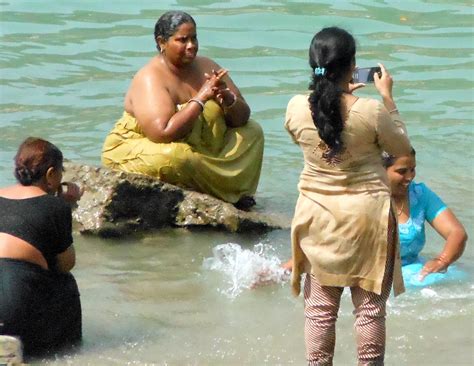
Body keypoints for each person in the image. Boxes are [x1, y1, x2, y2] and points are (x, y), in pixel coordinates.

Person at [284, 27, 412, 365]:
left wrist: (336, 99)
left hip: (316, 216)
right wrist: (387, 98)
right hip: (367, 220)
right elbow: (403, 152)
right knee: (369, 311)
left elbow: (309, 134)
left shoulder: (296, 107)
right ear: (352, 65)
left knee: (320, 311)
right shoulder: (370, 111)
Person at [101, 10, 264, 208]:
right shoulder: (150, 77)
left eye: (194, 38)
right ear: (162, 42)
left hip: (201, 149)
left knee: (252, 133)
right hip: (146, 146)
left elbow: (242, 118)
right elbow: (162, 133)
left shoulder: (206, 65)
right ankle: (216, 188)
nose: (191, 46)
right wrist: (201, 97)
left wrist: (228, 99)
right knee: (179, 157)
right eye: (182, 40)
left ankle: (224, 188)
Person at [0, 137, 83, 358]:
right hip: (12, 305)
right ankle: (66, 352)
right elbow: (66, 263)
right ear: (50, 174)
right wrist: (67, 206)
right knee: (65, 282)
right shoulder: (55, 207)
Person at [382, 149, 467, 280]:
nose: (410, 177)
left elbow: (457, 233)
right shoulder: (359, 199)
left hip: (413, 271)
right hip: (372, 278)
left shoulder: (419, 194)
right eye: (402, 171)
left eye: (412, 169)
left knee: (464, 278)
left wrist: (441, 261)